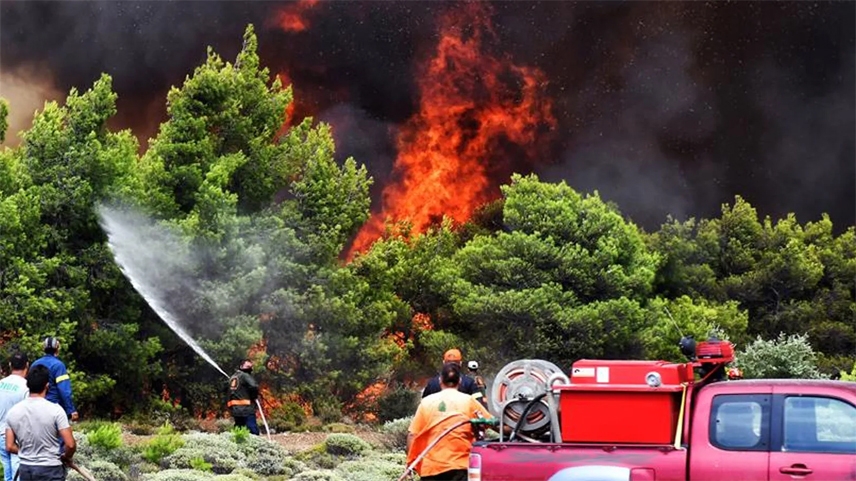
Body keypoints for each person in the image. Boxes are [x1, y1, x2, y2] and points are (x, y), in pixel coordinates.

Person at [407, 362, 493, 481]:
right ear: (460, 381)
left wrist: (411, 463)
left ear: (440, 380)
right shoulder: (469, 401)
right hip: (460, 467)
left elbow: (412, 434)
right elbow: (491, 423)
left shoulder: (426, 403)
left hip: (431, 468)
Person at [5, 364, 76, 481]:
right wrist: (66, 456)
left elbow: (9, 446)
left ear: (27, 385)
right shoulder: (56, 410)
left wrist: (26, 453)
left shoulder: (13, 412)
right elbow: (70, 444)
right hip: (51, 469)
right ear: (47, 386)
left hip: (26, 469)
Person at [30, 338, 77, 422]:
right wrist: (71, 409)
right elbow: (64, 390)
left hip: (35, 407)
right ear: (57, 349)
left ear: (43, 349)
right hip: (54, 407)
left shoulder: (34, 364)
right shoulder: (59, 366)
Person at [0, 353, 29, 481]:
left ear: (10, 365)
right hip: (17, 437)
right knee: (18, 472)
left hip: (0, 434)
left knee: (7, 473)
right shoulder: (27, 387)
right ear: (27, 365)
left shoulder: (1, 383)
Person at [227, 359, 259, 435]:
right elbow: (254, 386)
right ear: (241, 366)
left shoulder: (233, 377)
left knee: (239, 431)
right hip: (246, 409)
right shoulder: (245, 375)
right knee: (252, 430)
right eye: (248, 366)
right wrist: (254, 396)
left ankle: (239, 445)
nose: (250, 368)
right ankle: (255, 445)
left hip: (236, 410)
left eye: (251, 367)